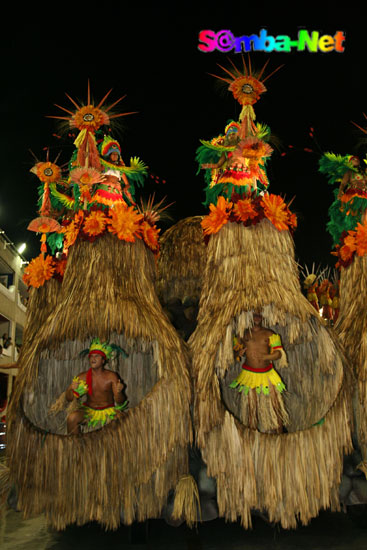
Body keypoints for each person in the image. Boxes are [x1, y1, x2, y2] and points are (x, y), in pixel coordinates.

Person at [229, 311, 288, 432]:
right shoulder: (243, 334)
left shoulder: (270, 334)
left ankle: (279, 434)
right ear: (249, 316)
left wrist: (266, 357)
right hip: (249, 375)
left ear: (263, 316)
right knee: (252, 408)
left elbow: (278, 353)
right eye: (254, 314)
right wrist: (237, 353)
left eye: (259, 314)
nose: (256, 317)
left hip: (268, 374)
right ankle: (253, 435)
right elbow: (234, 351)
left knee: (275, 404)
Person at [66, 338, 127, 435]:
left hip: (108, 411)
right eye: (91, 356)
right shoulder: (83, 377)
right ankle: (76, 447)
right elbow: (69, 398)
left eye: (97, 356)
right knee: (72, 418)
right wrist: (70, 389)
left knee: (120, 419)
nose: (93, 359)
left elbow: (120, 401)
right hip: (88, 410)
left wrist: (119, 392)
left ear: (103, 360)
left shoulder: (111, 376)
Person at [338, 155, 367, 222]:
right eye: (353, 159)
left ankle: (363, 229)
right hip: (353, 194)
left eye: (357, 159)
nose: (356, 160)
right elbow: (343, 183)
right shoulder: (349, 172)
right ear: (350, 162)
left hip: (364, 194)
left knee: (365, 213)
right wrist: (340, 191)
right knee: (354, 213)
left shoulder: (364, 173)